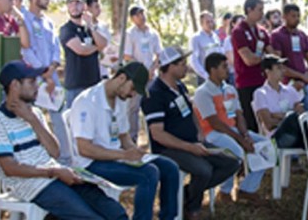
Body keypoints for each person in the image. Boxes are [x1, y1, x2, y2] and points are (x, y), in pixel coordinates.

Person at [0, 61, 128, 219]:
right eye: (31, 82)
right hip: (32, 184)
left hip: (55, 175)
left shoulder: (35, 114)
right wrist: (54, 172)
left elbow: (55, 152)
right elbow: (10, 168)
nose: (37, 86)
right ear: (15, 85)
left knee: (116, 213)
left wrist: (33, 120)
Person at [69, 61, 180, 220]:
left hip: (116, 157)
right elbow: (84, 149)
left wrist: (134, 151)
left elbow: (123, 135)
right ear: (121, 78)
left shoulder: (120, 99)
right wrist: (124, 155)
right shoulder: (87, 101)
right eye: (133, 89)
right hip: (91, 164)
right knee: (148, 174)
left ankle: (168, 217)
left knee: (170, 167)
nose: (132, 95)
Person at [142, 47, 241, 220]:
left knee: (231, 162)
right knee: (204, 171)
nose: (186, 68)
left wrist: (200, 132)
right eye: (182, 64)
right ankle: (192, 209)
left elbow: (191, 111)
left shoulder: (179, 86)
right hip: (168, 149)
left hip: (193, 142)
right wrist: (189, 147)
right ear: (169, 66)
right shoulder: (154, 94)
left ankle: (187, 194)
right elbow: (158, 135)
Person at [194, 52, 268, 203]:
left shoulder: (230, 90)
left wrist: (245, 134)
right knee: (237, 151)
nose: (228, 69)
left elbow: (239, 115)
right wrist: (241, 140)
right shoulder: (203, 92)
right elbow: (215, 123)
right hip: (213, 134)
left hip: (232, 131)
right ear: (212, 70)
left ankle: (247, 189)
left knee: (265, 145)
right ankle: (225, 191)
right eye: (224, 67)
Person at [21, 0, 72, 166]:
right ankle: (32, 160)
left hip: (52, 77)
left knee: (59, 116)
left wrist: (51, 69)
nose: (48, 0)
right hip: (30, 78)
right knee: (29, 118)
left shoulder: (48, 22)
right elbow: (25, 50)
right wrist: (42, 72)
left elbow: (55, 49)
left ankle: (65, 159)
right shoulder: (24, 20)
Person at [232, 0, 272, 132]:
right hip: (247, 83)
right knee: (251, 122)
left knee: (268, 119)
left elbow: (273, 55)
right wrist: (265, 58)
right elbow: (248, 60)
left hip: (264, 81)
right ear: (249, 10)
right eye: (259, 10)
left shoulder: (262, 32)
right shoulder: (239, 31)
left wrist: (263, 58)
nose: (262, 13)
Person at [60, 0, 106, 107]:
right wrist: (96, 48)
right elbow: (81, 50)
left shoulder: (89, 29)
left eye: (78, 3)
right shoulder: (66, 29)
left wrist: (91, 25)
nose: (74, 6)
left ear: (84, 7)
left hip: (94, 84)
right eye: (71, 3)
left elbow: (103, 44)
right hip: (75, 86)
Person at [124, 5, 163, 141]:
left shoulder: (153, 33)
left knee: (153, 107)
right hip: (137, 78)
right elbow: (127, 56)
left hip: (152, 77)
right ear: (132, 18)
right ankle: (132, 140)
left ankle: (155, 139)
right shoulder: (130, 34)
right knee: (133, 109)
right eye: (138, 14)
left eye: (142, 13)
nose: (141, 16)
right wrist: (142, 71)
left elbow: (159, 54)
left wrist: (152, 69)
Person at [253, 55, 306, 148]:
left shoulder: (290, 90)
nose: (283, 71)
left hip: (298, 133)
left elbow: (302, 115)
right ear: (267, 71)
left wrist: (277, 115)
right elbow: (269, 124)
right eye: (278, 68)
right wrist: (288, 117)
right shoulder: (260, 93)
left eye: (283, 68)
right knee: (292, 117)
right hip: (278, 137)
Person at [270, 3, 308, 111]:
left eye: (298, 16)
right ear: (285, 17)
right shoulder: (276, 35)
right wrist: (301, 76)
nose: (297, 19)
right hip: (287, 85)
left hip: (305, 84)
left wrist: (307, 76)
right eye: (293, 16)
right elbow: (278, 63)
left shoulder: (302, 35)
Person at [86, 0, 116, 79]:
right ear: (88, 8)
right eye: (96, 7)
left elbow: (109, 46)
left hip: (104, 71)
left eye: (99, 6)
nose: (99, 9)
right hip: (89, 72)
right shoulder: (83, 26)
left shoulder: (103, 26)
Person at [190, 11, 223, 85]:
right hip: (205, 77)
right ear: (201, 23)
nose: (210, 24)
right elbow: (193, 60)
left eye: (211, 21)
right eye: (207, 22)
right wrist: (206, 75)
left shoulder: (215, 37)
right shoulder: (196, 38)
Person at [223, 14, 244, 85]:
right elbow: (232, 60)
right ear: (233, 24)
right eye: (239, 23)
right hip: (235, 74)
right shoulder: (228, 40)